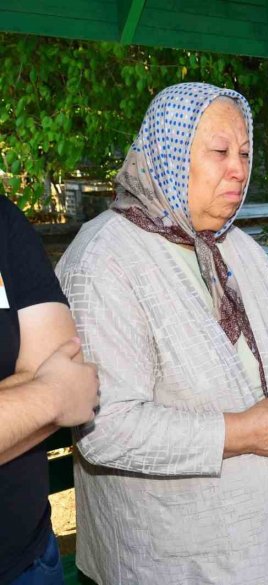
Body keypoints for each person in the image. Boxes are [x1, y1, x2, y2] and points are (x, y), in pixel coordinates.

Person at [55, 83, 268, 584]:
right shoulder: (103, 262)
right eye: (220, 152)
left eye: (245, 153)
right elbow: (107, 428)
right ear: (169, 153)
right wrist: (245, 431)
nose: (239, 169)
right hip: (179, 559)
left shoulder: (238, 246)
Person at [0, 196, 99, 585]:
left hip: (27, 558)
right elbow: (65, 391)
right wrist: (51, 397)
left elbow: (65, 365)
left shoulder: (4, 221)